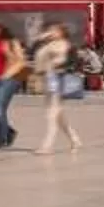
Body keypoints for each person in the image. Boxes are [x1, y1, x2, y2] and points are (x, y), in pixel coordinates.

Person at [31, 24, 86, 155]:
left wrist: (59, 65)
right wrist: (40, 38)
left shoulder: (66, 45)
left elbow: (73, 61)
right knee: (58, 115)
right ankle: (74, 139)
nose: (51, 32)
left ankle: (47, 146)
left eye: (54, 30)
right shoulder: (46, 45)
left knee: (51, 115)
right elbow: (32, 52)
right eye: (49, 30)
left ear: (62, 32)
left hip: (58, 79)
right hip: (47, 79)